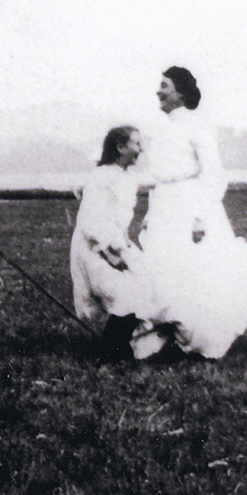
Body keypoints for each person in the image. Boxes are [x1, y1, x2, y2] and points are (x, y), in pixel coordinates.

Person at [132, 66, 247, 359]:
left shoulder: (197, 125)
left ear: (180, 93)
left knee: (194, 269)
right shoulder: (162, 128)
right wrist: (150, 213)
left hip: (190, 203)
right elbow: (161, 176)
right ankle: (167, 336)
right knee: (160, 268)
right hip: (164, 205)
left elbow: (214, 174)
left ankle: (201, 337)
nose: (158, 91)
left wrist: (199, 216)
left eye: (164, 86)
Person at [71, 126, 167, 362]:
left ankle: (121, 344)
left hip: (118, 243)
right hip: (95, 247)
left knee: (151, 282)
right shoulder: (102, 176)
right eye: (136, 143)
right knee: (127, 292)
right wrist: (110, 253)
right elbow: (91, 222)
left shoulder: (127, 177)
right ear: (120, 147)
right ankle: (111, 350)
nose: (141, 148)